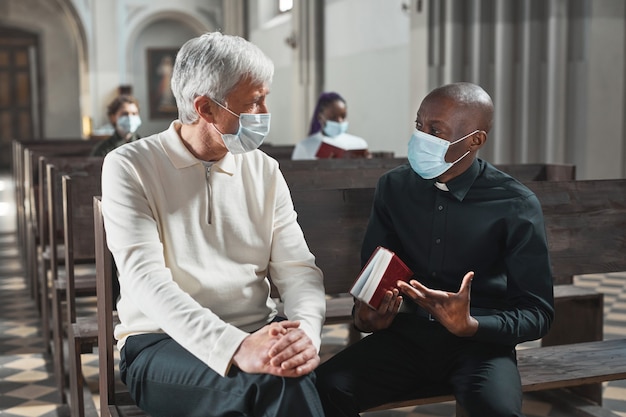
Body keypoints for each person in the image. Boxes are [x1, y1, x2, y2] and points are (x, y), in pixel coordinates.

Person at [100, 32, 326, 417]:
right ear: (205, 108)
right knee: (278, 386)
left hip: (258, 329)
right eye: (255, 101)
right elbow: (146, 282)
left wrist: (305, 333)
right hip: (160, 342)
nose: (265, 111)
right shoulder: (129, 166)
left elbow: (299, 269)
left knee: (287, 375)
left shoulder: (264, 170)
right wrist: (236, 348)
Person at [315, 82, 555, 417]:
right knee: (320, 390)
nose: (421, 137)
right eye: (419, 126)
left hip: (481, 346)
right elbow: (375, 276)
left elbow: (538, 312)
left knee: (498, 411)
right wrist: (366, 315)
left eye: (435, 129)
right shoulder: (394, 187)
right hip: (406, 339)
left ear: (475, 140)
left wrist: (471, 325)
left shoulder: (514, 203)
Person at [291, 92, 368, 160]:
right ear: (320, 117)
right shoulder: (305, 146)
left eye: (343, 116)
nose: (339, 121)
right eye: (333, 117)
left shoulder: (359, 144)